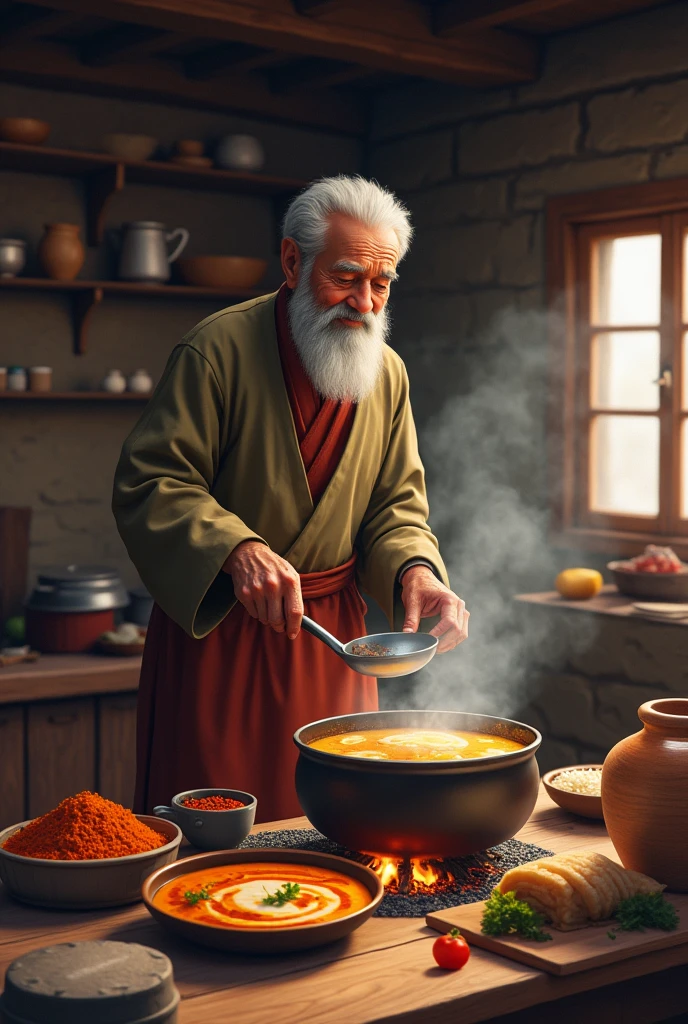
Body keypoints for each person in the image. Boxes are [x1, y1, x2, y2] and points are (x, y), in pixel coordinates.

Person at [112, 175, 469, 822]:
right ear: (291, 260)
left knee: (337, 829)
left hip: (334, 644)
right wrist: (237, 548)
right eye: (346, 277)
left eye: (380, 284)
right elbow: (152, 480)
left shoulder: (387, 374)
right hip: (223, 642)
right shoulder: (216, 348)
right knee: (215, 844)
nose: (364, 302)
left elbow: (396, 507)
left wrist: (417, 571)